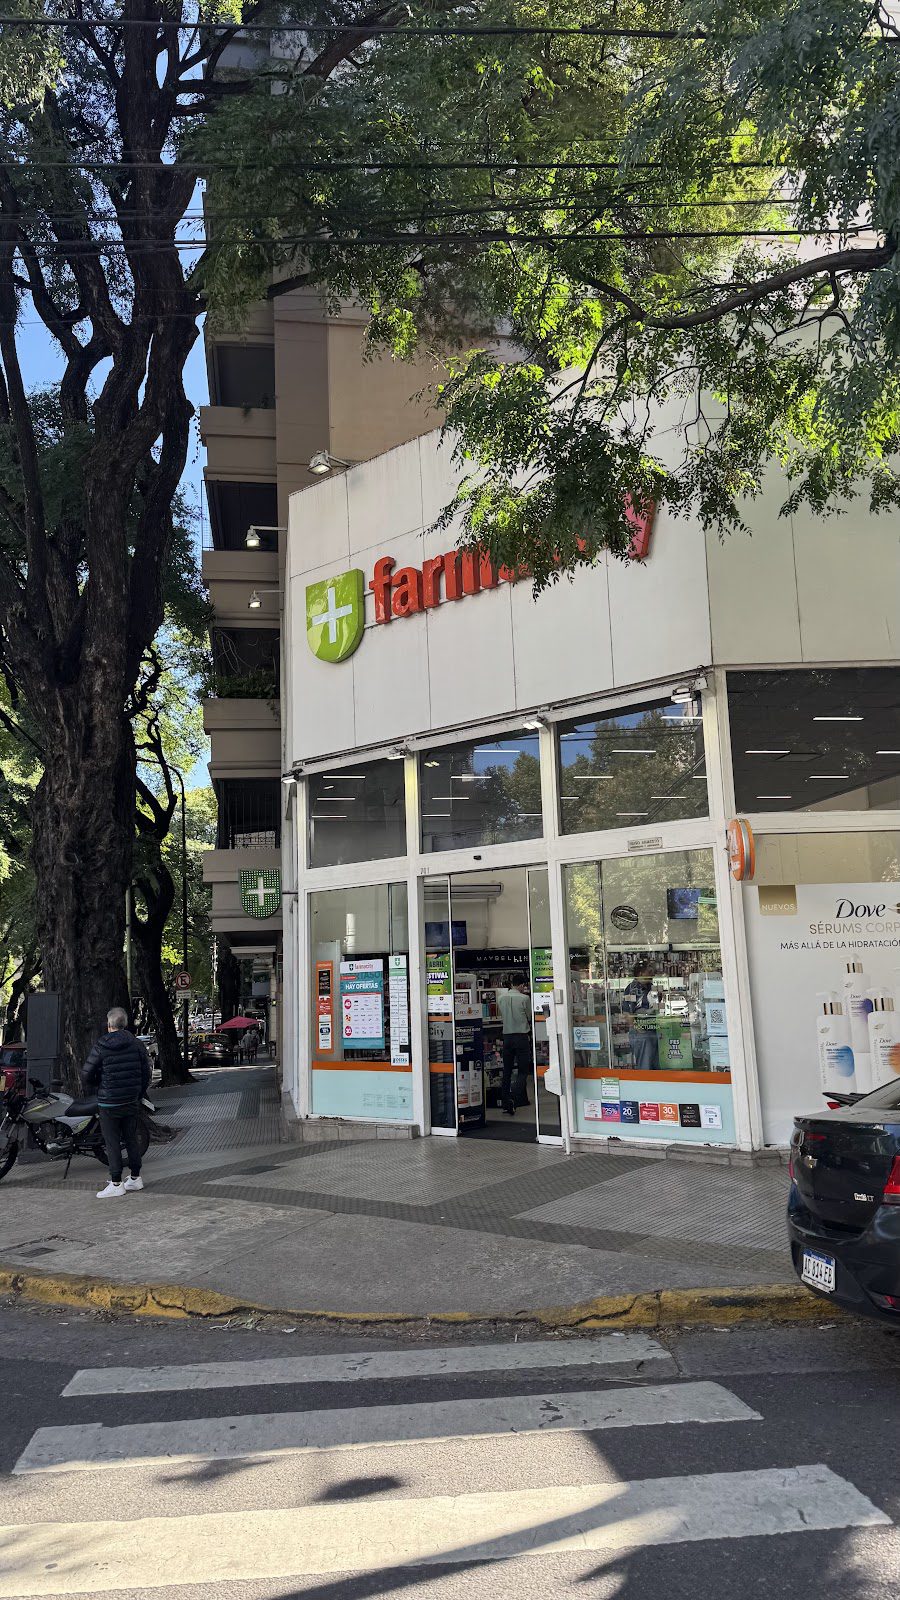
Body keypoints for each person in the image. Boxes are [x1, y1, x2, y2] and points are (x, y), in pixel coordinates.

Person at [83, 1006, 152, 1200]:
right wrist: (138, 1093)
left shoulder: (101, 1045)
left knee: (112, 1142)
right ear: (125, 1024)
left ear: (109, 1024)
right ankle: (135, 1177)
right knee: (131, 1138)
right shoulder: (137, 1044)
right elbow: (146, 1073)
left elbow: (86, 1074)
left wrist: (100, 1085)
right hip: (131, 1100)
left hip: (109, 1102)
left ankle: (116, 1183)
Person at [497, 974, 533, 1116]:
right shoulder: (524, 998)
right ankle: (515, 1097)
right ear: (522, 985)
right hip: (521, 1037)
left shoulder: (501, 998)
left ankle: (505, 1102)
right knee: (523, 1071)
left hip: (507, 1037)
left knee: (507, 1070)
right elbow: (529, 1016)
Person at [621, 961, 660, 1071]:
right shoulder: (631, 989)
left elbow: (658, 1006)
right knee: (645, 1066)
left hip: (654, 1030)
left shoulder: (651, 987)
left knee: (656, 1066)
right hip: (641, 1033)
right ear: (641, 973)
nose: (652, 973)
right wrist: (637, 1029)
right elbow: (627, 1012)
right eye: (649, 971)